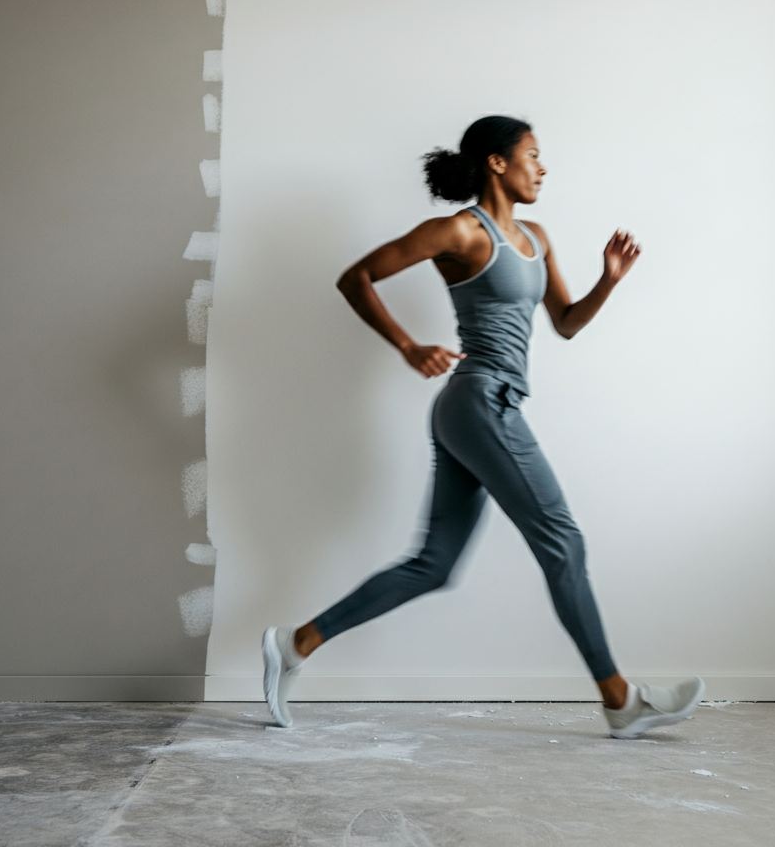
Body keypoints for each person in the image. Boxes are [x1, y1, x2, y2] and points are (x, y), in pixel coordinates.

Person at [262, 115, 704, 739]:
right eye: (533, 155)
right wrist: (409, 346)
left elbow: (567, 322)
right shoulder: (460, 231)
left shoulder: (536, 237)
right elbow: (355, 277)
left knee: (434, 564)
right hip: (481, 402)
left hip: (482, 409)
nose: (542, 167)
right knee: (563, 541)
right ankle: (619, 699)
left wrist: (608, 280)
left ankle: (295, 643)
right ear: (497, 162)